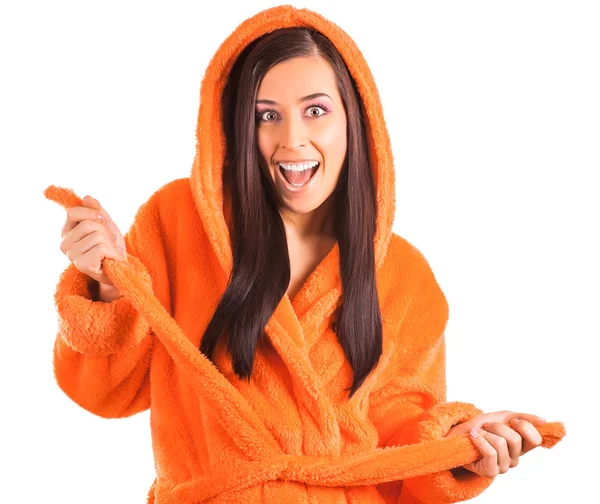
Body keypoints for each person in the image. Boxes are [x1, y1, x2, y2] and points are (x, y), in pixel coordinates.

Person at [49, 5, 563, 503]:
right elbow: (106, 395)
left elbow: (400, 442)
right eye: (266, 116)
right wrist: (109, 286)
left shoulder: (403, 275)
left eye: (315, 111)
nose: (291, 139)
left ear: (353, 121)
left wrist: (460, 443)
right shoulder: (178, 221)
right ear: (234, 129)